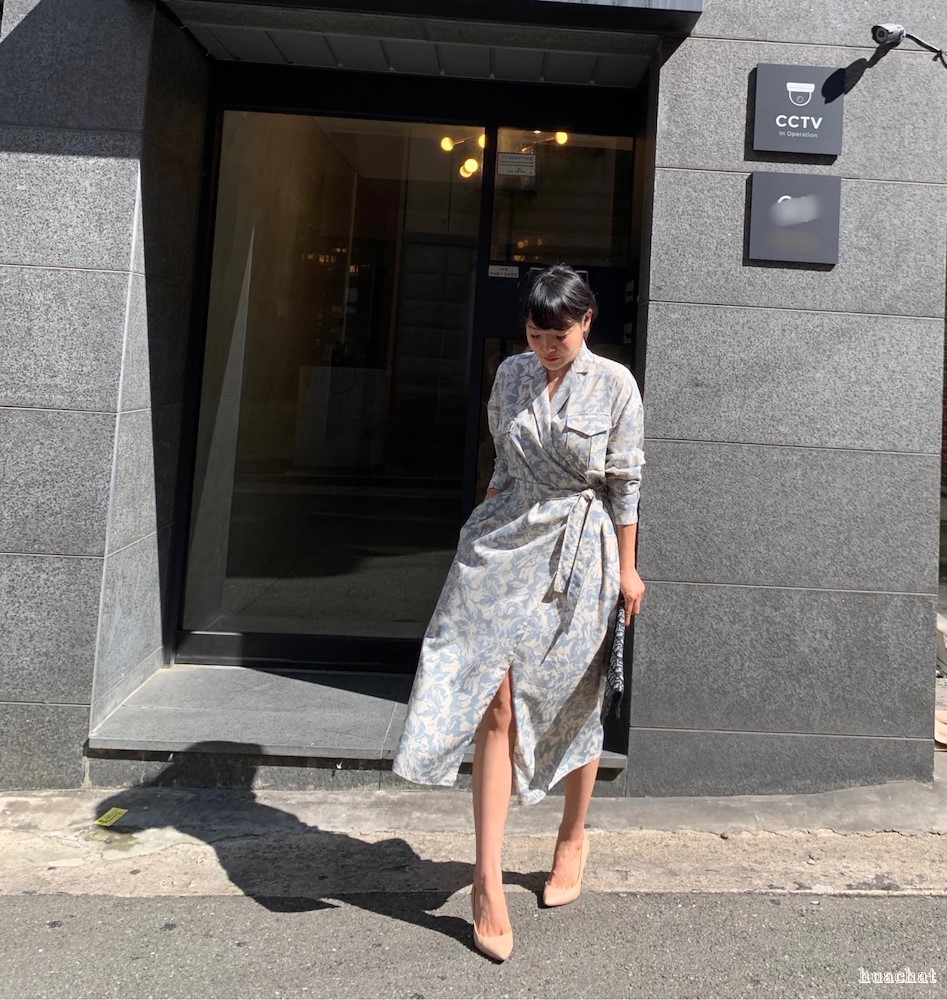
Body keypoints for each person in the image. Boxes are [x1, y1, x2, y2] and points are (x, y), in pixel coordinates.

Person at [391, 263, 645, 961]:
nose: (546, 347)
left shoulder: (615, 385)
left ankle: (572, 836)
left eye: (558, 335)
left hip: (581, 549)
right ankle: (486, 880)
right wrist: (481, 525)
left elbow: (625, 481)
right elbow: (502, 463)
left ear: (586, 321)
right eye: (535, 334)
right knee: (493, 700)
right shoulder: (510, 375)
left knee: (572, 697)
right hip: (506, 539)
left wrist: (628, 568)